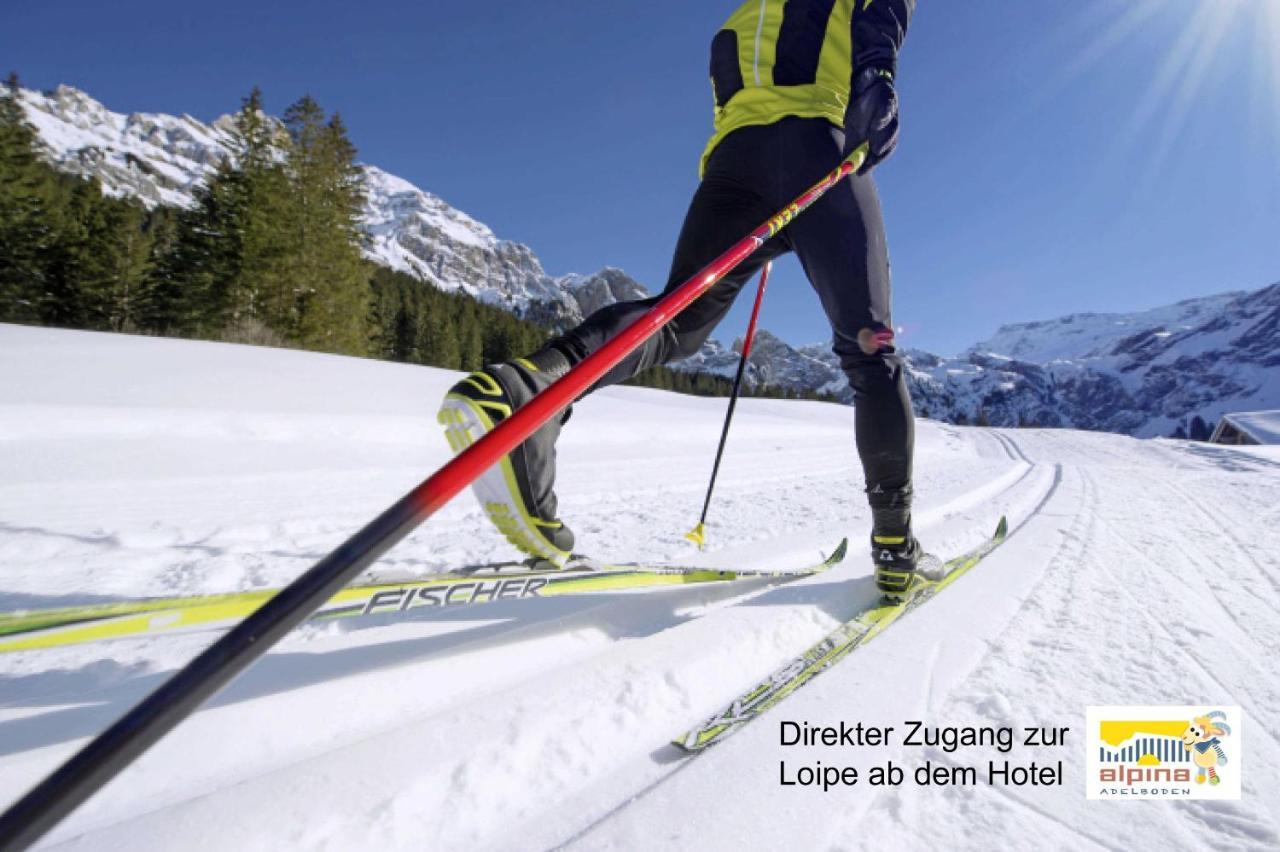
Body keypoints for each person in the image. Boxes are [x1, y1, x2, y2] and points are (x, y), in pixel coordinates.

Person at [439, 0, 920, 598]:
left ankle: (528, 388)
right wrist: (877, 74)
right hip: (818, 151)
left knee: (674, 322)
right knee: (868, 348)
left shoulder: (734, 26)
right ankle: (896, 545)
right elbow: (885, 13)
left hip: (732, 170)